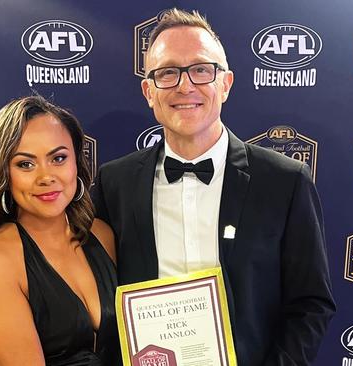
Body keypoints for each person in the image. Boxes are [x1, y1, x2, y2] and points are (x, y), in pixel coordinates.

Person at [92, 9, 336, 365]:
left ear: (225, 84)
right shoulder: (115, 183)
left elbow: (311, 304)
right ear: (148, 91)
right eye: (167, 72)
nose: (185, 85)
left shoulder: (285, 182)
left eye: (201, 70)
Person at [0, 95, 120, 366]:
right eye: (25, 164)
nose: (46, 177)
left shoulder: (101, 235)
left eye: (58, 158)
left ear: (76, 163)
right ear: (4, 172)